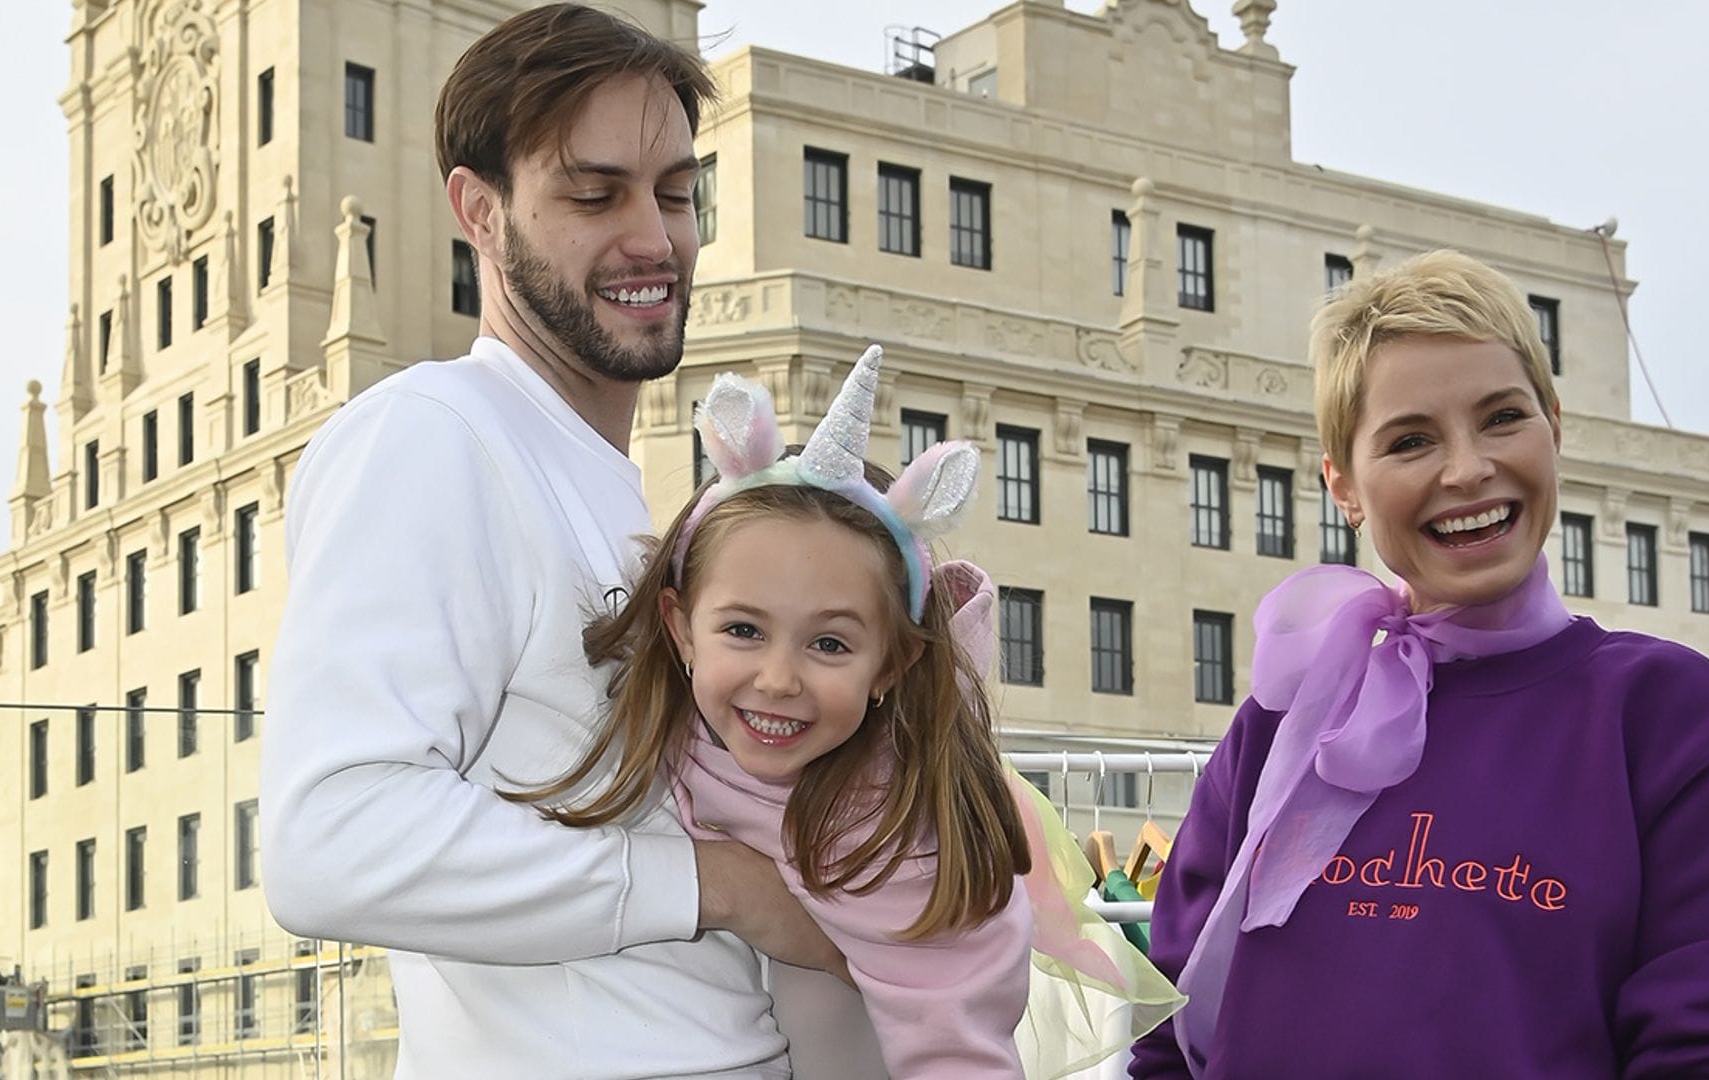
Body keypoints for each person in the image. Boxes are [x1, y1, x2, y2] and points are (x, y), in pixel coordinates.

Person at [261, 6, 842, 1077]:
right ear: (478, 211)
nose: (654, 237)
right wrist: (726, 891)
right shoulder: (434, 435)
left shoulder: (602, 483)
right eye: (593, 193)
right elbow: (328, 843)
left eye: (676, 193)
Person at [1131, 250, 1709, 1079]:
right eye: (1411, 439)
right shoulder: (1282, 722)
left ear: (1554, 427)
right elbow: (1169, 1028)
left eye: (1501, 417)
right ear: (1342, 485)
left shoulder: (1668, 718)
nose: (1466, 470)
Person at [506, 344, 1181, 1079]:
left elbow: (956, 1047)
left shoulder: (902, 843)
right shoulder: (655, 719)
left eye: (828, 643)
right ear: (679, 628)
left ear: (890, 664)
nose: (776, 679)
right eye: (743, 630)